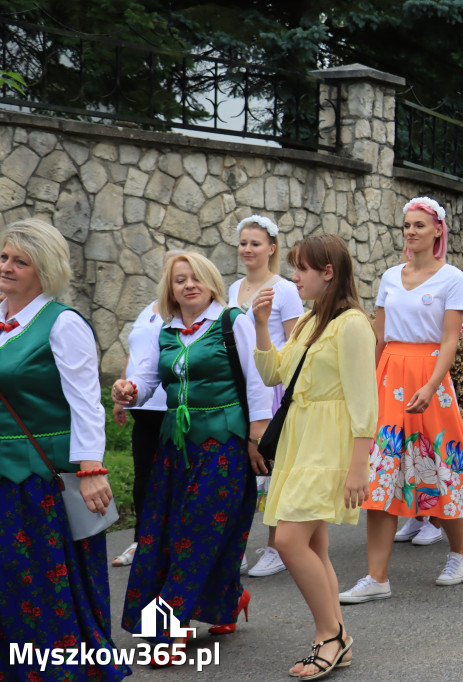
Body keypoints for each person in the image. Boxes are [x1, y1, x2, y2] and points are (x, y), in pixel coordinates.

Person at [339, 197, 463, 603]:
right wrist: (365, 384)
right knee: (383, 472)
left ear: (438, 231)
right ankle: (377, 577)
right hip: (390, 374)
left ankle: (460, 552)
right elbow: (380, 336)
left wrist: (432, 384)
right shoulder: (390, 276)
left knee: (439, 464)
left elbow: (449, 340)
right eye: (407, 225)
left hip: (429, 375)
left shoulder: (452, 278)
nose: (411, 231)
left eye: (420, 225)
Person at [116, 252, 273, 642]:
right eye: (179, 280)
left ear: (211, 283)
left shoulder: (231, 321)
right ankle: (229, 598)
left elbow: (256, 381)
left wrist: (257, 439)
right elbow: (147, 379)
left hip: (224, 443)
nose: (188, 285)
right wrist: (129, 390)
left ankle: (171, 626)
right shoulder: (166, 331)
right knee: (165, 532)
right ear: (169, 289)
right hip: (176, 447)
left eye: (195, 278)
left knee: (198, 531)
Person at [0, 219, 130, 682]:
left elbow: (85, 401)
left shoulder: (62, 323)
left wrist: (92, 467)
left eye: (21, 260)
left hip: (40, 476)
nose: (8, 267)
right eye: (4, 257)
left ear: (44, 269)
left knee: (42, 577)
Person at [252, 234, 376, 678]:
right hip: (300, 441)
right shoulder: (306, 322)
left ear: (328, 272)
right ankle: (336, 634)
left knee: (288, 541)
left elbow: (366, 399)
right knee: (313, 544)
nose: (294, 277)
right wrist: (263, 324)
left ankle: (330, 635)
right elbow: (273, 373)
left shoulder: (353, 324)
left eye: (302, 269)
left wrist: (358, 464)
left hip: (330, 444)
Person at [230, 214, 304, 578]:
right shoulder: (233, 289)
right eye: (243, 243)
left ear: (271, 248)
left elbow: (295, 342)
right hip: (239, 386)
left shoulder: (285, 289)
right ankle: (237, 545)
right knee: (242, 468)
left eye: (255, 243)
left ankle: (277, 546)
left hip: (272, 385)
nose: (247, 249)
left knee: (273, 467)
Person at [110, 251, 185, 568]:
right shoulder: (147, 311)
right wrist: (121, 392)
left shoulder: (189, 312)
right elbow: (137, 353)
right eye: (167, 265)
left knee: (177, 478)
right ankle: (142, 540)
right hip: (143, 405)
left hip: (174, 408)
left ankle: (177, 541)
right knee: (144, 476)